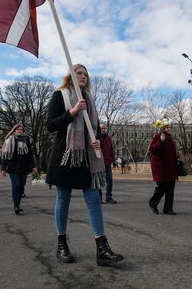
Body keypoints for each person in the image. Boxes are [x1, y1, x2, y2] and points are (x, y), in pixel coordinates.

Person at [46, 64, 124, 266]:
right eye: (79, 73)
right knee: (63, 199)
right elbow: (50, 125)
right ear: (70, 76)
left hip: (88, 156)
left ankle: (102, 248)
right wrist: (72, 111)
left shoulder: (89, 98)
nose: (83, 76)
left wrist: (97, 139)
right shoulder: (60, 94)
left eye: (85, 74)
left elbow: (93, 127)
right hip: (66, 154)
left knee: (93, 198)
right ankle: (62, 244)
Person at [1, 124, 36, 214]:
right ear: (14, 130)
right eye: (18, 129)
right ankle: (16, 206)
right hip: (12, 167)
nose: (20, 130)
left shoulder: (26, 139)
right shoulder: (9, 140)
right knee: (16, 185)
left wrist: (34, 166)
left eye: (22, 129)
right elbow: (5, 155)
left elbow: (30, 154)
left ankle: (18, 204)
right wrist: (3, 168)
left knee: (21, 186)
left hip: (24, 167)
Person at [148, 123, 178, 215]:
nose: (169, 129)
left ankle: (168, 209)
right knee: (162, 187)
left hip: (170, 167)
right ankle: (153, 203)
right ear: (163, 129)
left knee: (170, 189)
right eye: (167, 127)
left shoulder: (171, 139)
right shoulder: (158, 136)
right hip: (161, 168)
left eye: (170, 127)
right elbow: (152, 149)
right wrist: (160, 141)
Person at [99, 124, 117, 204]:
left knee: (109, 180)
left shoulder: (108, 138)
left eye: (104, 128)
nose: (103, 129)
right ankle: (99, 198)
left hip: (107, 163)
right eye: (101, 128)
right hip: (98, 163)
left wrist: (113, 160)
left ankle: (108, 197)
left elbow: (111, 149)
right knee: (99, 181)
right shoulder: (96, 138)